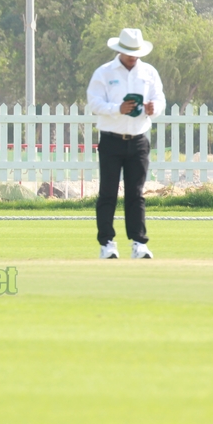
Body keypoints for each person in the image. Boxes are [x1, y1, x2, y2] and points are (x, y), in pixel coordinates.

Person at [86, 28, 166, 260]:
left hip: (139, 140)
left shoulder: (149, 72)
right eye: (129, 52)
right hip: (111, 139)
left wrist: (154, 108)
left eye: (136, 53)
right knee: (108, 192)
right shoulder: (104, 73)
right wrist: (117, 109)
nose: (133, 57)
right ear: (119, 50)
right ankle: (107, 243)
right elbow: (94, 103)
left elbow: (159, 99)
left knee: (136, 193)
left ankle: (139, 243)